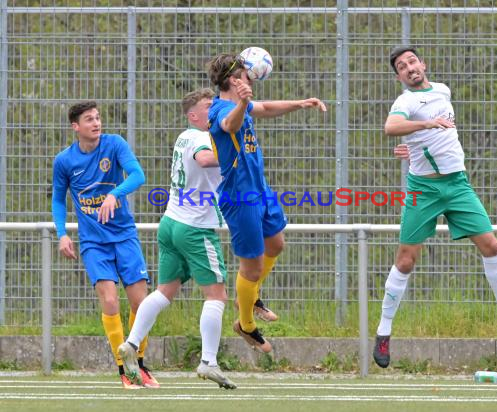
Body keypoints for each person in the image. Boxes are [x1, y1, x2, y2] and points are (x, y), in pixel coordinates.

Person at [373, 47, 497, 369]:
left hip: (458, 185)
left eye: (412, 62)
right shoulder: (405, 102)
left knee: (491, 245)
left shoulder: (443, 91)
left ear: (423, 64)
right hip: (424, 189)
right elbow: (391, 127)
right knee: (405, 261)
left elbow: (441, 136)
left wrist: (416, 147)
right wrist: (424, 127)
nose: (409, 68)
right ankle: (383, 332)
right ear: (399, 77)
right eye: (402, 67)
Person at [207, 53, 327, 352]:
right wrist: (243, 103)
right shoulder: (220, 108)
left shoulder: (243, 105)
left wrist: (299, 104)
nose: (252, 76)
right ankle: (245, 324)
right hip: (240, 196)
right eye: (246, 73)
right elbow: (230, 125)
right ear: (235, 80)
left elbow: (266, 108)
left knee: (276, 244)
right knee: (252, 264)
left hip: (260, 190)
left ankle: (251, 296)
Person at [118, 88, 236, 389]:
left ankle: (131, 344)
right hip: (195, 227)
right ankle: (209, 361)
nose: (215, 110)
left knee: (164, 291)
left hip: (171, 222)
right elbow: (206, 160)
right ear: (192, 115)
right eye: (208, 107)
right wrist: (236, 154)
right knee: (217, 295)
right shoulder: (199, 137)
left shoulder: (185, 135)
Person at [52, 101, 159, 389]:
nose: (96, 123)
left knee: (141, 302)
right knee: (110, 300)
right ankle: (124, 369)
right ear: (76, 126)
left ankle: (140, 363)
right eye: (89, 119)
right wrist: (62, 233)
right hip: (93, 242)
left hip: (124, 236)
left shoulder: (114, 145)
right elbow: (57, 200)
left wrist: (115, 193)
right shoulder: (64, 161)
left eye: (98, 118)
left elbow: (138, 175)